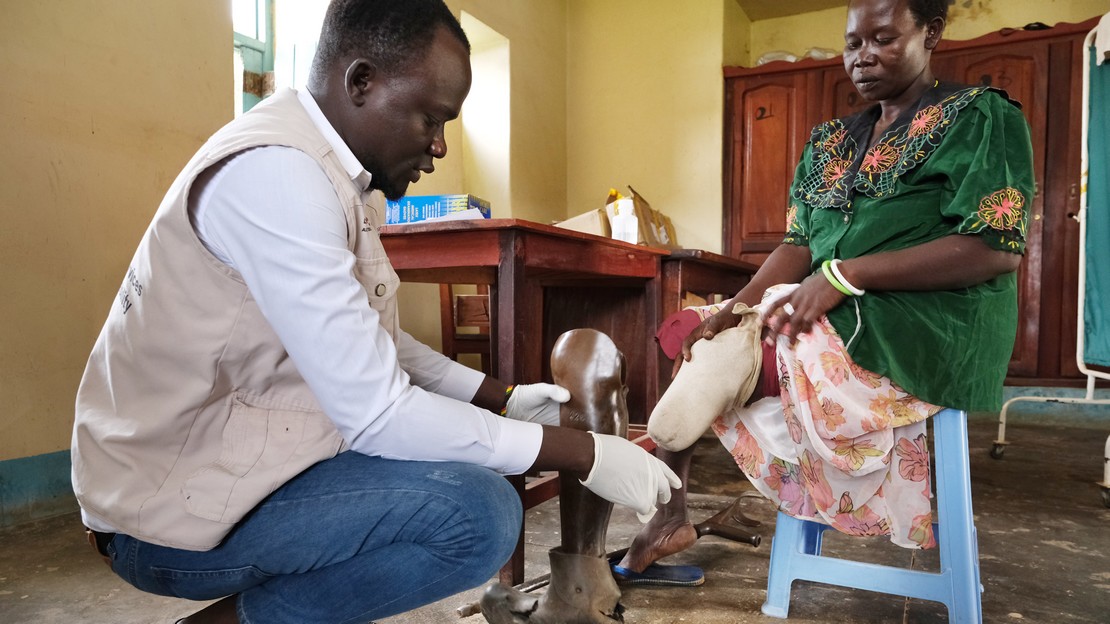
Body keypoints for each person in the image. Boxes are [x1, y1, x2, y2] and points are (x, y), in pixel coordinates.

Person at [70, 1, 679, 622]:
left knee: (475, 490)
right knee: (473, 517)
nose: (440, 146)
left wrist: (505, 396)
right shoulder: (277, 175)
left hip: (226, 464)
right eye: (430, 118)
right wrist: (587, 454)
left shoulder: (333, 175)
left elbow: (369, 339)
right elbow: (379, 414)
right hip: (162, 509)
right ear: (360, 81)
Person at [616, 0, 1033, 581]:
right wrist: (735, 310)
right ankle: (671, 508)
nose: (862, 57)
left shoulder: (978, 117)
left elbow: (995, 248)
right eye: (853, 42)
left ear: (930, 33)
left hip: (933, 318)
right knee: (705, 331)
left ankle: (667, 500)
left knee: (755, 351)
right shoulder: (832, 140)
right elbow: (797, 244)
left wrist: (845, 276)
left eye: (883, 39)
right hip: (834, 299)